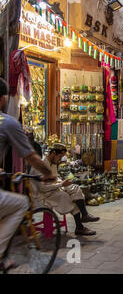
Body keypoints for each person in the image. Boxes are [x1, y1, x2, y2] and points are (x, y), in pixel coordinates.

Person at [0, 78, 55, 271]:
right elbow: (31, 157)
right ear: (3, 99)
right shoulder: (7, 122)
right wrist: (49, 173)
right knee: (21, 203)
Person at [29, 143, 100, 236]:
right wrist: (61, 184)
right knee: (67, 197)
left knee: (75, 188)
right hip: (42, 195)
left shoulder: (53, 163)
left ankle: (85, 214)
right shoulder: (41, 165)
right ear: (53, 153)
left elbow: (55, 177)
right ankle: (79, 227)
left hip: (52, 189)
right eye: (60, 156)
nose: (60, 159)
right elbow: (43, 188)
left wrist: (63, 182)